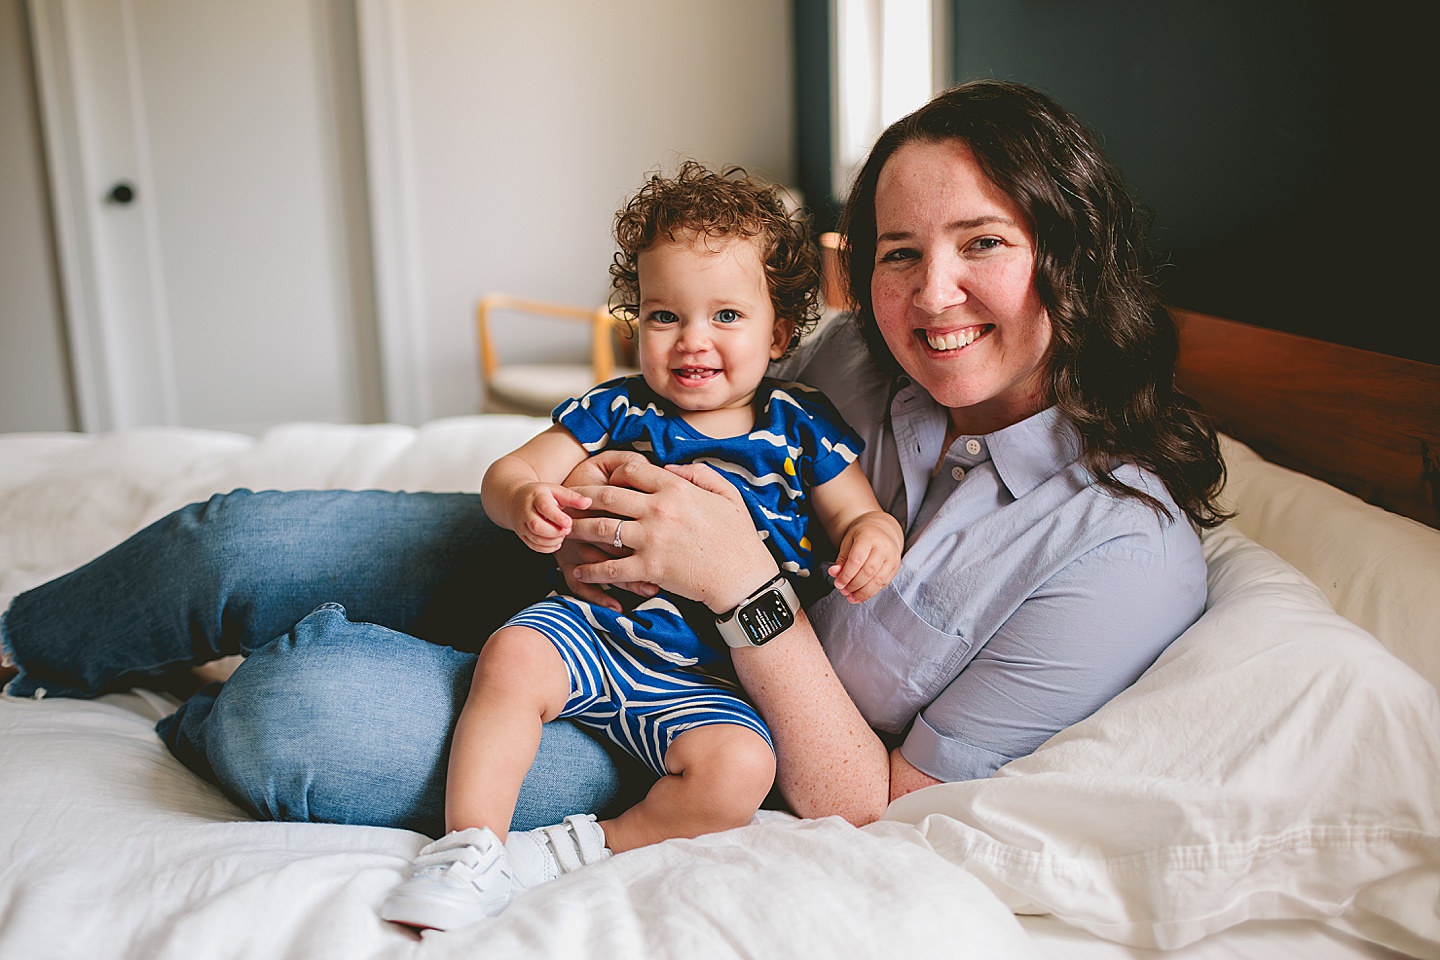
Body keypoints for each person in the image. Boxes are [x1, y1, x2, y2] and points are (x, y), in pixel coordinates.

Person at [0, 78, 1227, 878]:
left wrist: (742, 582)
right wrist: (566, 499)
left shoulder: (1119, 553)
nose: (931, 296)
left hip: (699, 716)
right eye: (900, 254)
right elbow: (706, 395)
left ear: (1068, 249)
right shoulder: (859, 353)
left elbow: (879, 801)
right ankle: (28, 644)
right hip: (576, 566)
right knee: (233, 543)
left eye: (985, 246)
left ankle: (191, 706)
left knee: (301, 715)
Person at [378, 162, 902, 929]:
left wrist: (874, 538)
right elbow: (511, 470)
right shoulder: (619, 408)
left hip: (711, 682)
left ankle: (583, 848)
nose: (693, 341)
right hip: (596, 634)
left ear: (780, 332)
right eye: (665, 316)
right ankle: (469, 848)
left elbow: (861, 512)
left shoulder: (801, 424)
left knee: (741, 772)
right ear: (638, 320)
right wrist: (528, 498)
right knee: (513, 657)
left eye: (726, 316)